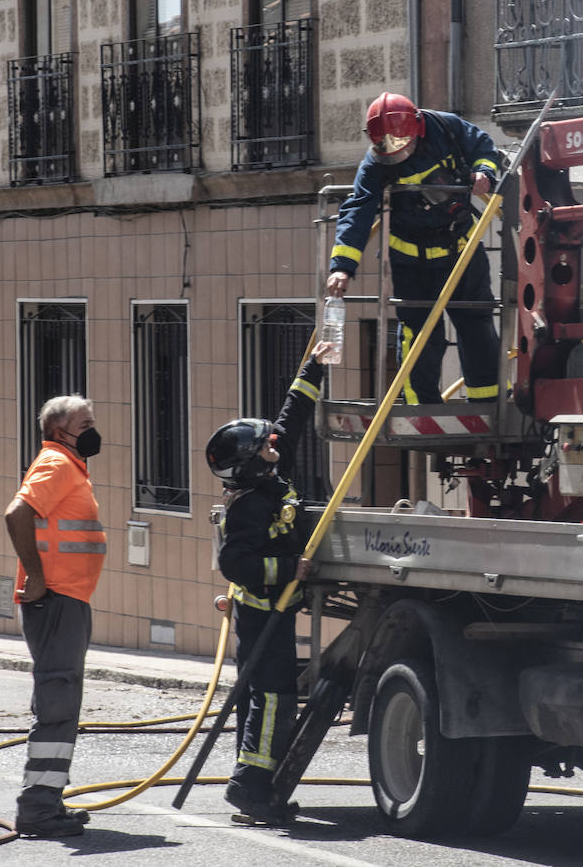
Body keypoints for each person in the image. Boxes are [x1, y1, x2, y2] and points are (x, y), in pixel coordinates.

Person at [204, 342, 332, 823]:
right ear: (251, 462)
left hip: (274, 607)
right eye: (264, 445)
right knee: (273, 695)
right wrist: (289, 567)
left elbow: (290, 418)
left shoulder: (271, 479)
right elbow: (236, 564)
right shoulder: (250, 505)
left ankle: (255, 784)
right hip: (263, 610)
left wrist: (314, 367)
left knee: (263, 694)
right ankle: (251, 787)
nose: (273, 444)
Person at [327, 92, 503, 404]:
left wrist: (484, 172)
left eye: (399, 145)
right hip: (411, 259)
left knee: (476, 325)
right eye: (385, 147)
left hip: (459, 248)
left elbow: (483, 147)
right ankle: (420, 404)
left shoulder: (446, 128)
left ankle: (486, 402)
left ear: (417, 129)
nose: (394, 153)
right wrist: (342, 266)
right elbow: (357, 210)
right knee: (419, 335)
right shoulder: (376, 162)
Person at [4, 394, 107, 839]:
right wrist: (39, 577)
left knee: (60, 702)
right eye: (84, 424)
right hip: (58, 600)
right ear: (59, 432)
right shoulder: (57, 463)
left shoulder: (67, 465)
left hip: (68, 599)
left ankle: (47, 801)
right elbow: (17, 513)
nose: (92, 430)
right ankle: (38, 809)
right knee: (58, 704)